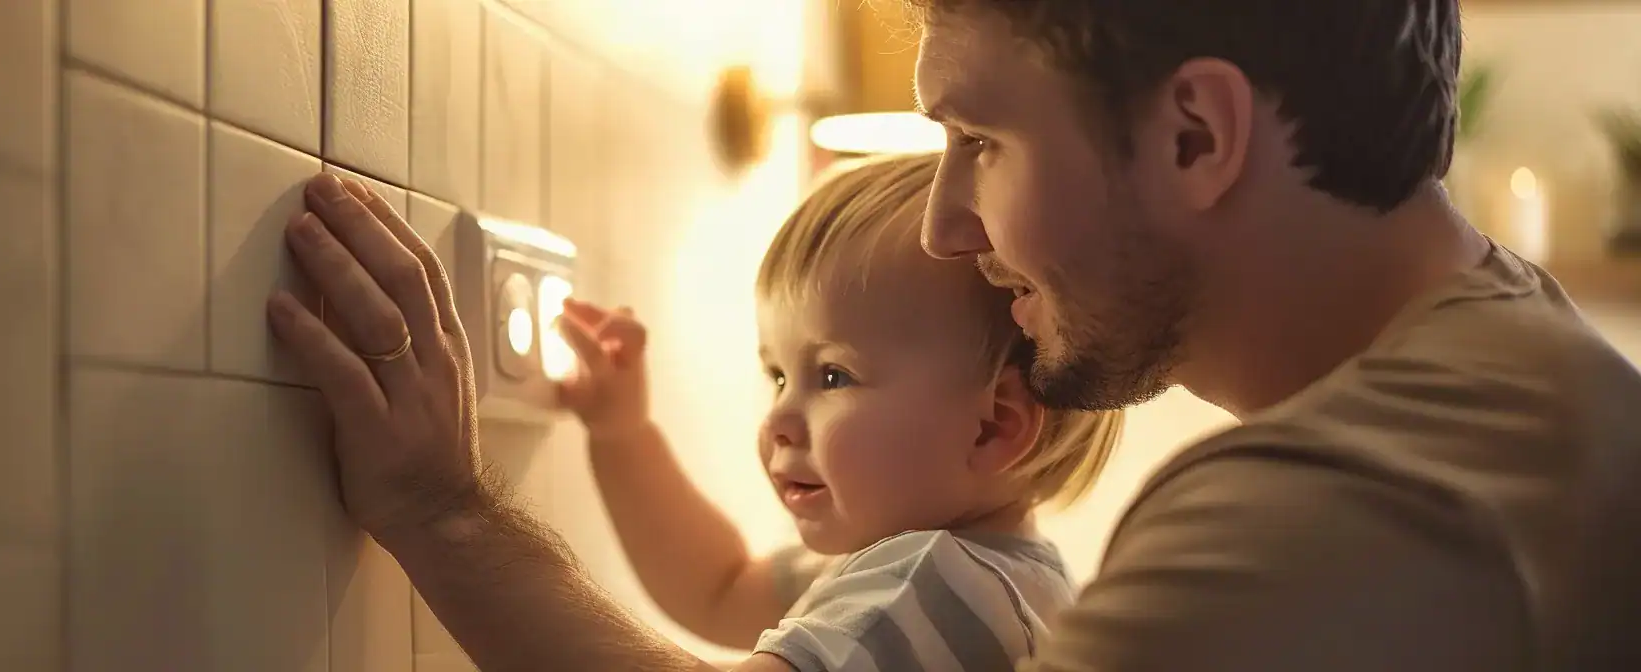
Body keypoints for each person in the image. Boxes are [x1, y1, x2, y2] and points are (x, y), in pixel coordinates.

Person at [267, 1, 1641, 670]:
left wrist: (441, 508)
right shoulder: (1519, 382)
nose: (945, 225)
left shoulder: (1338, 516)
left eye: (979, 138)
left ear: (1194, 135)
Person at [552, 153, 1122, 669]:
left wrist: (509, 582)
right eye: (778, 376)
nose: (778, 421)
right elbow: (720, 588)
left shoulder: (927, 587)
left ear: (992, 427)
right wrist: (623, 434)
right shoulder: (977, 573)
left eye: (832, 376)